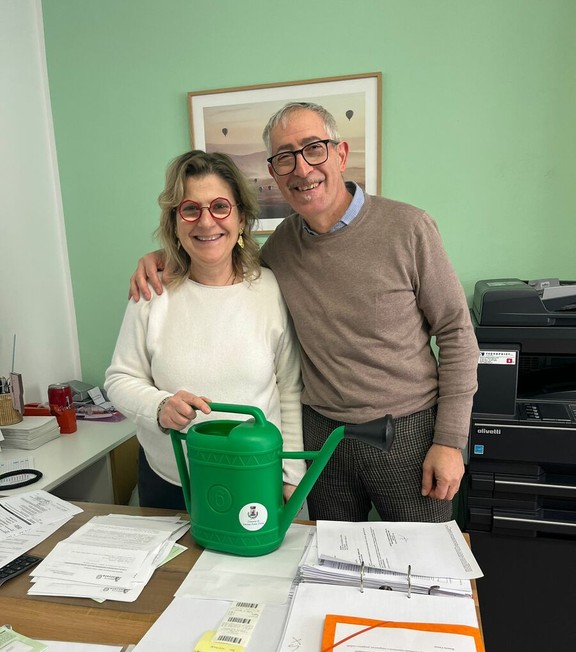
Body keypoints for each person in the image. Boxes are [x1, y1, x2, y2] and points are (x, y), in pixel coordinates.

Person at [128, 103, 479, 523]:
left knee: (419, 557)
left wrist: (449, 440)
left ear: (341, 154)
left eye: (314, 148)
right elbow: (218, 257)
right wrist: (163, 257)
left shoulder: (409, 228)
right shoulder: (281, 248)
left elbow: (457, 334)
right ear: (274, 173)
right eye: (284, 158)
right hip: (321, 438)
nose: (301, 168)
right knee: (325, 556)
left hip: (407, 434)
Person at [106, 149, 305, 510]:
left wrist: (291, 475)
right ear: (175, 222)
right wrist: (159, 406)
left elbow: (289, 389)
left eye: (220, 207)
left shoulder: (270, 290)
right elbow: (119, 379)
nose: (206, 222)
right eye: (190, 209)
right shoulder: (152, 292)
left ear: (241, 218)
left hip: (254, 476)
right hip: (169, 481)